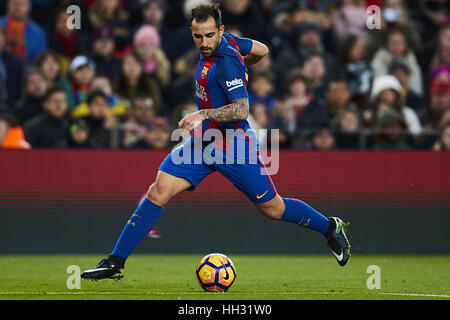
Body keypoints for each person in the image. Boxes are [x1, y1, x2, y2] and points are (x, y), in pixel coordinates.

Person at [81, 3, 351, 281]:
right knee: (157, 191)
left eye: (210, 35)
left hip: (235, 146)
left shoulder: (226, 61)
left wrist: (204, 110)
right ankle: (115, 262)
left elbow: (242, 109)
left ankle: (330, 227)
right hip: (204, 141)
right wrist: (244, 69)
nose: (204, 42)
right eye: (198, 36)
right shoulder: (232, 41)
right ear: (192, 32)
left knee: (274, 208)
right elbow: (261, 50)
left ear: (220, 30)